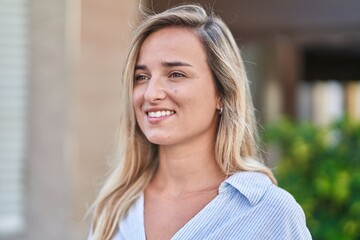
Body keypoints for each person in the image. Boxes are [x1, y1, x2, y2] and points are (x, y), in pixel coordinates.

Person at [88, 4, 312, 240]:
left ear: (221, 93)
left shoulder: (269, 212)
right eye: (141, 77)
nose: (151, 94)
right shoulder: (115, 208)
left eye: (176, 74)